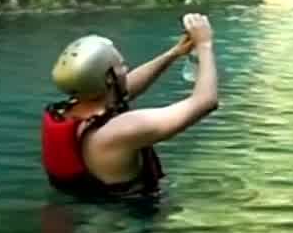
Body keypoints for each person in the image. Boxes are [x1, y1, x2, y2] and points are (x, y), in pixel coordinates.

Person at [40, 14, 218, 201]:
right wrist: (205, 45)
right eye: (122, 65)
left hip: (87, 212)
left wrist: (173, 53)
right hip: (125, 223)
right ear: (109, 78)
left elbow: (122, 89)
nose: (126, 69)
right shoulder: (121, 130)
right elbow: (205, 101)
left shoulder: (69, 111)